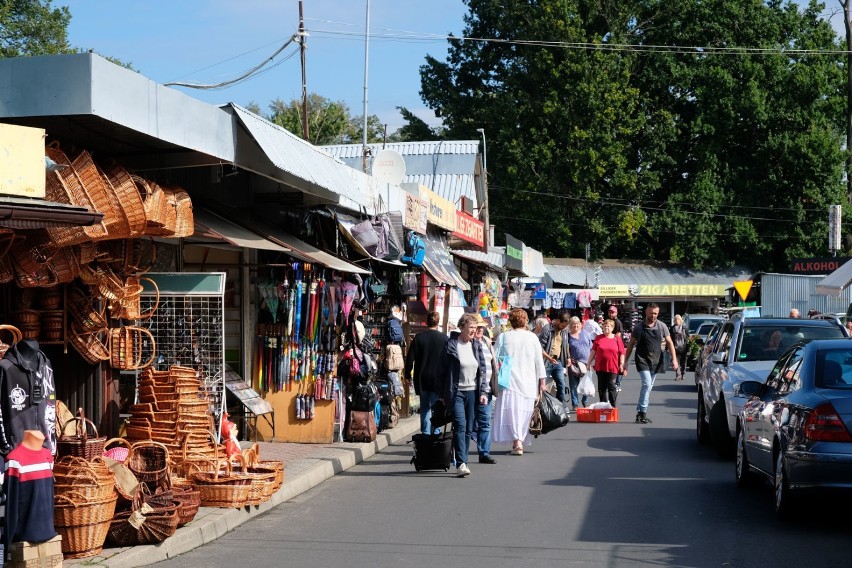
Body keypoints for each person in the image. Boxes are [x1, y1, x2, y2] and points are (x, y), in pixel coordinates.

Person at [492, 308, 547, 456]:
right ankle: (519, 441)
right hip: (528, 380)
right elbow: (539, 362)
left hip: (508, 379)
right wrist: (542, 381)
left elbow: (494, 357)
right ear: (526, 321)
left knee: (511, 411)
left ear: (510, 321)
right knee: (524, 411)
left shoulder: (503, 337)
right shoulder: (532, 338)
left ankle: (517, 441)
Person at [445, 313, 489, 477]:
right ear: (462, 327)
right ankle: (461, 463)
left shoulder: (476, 346)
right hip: (456, 392)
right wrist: (442, 394)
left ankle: (462, 459)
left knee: (469, 428)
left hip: (473, 392)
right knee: (460, 425)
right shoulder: (451, 345)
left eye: (475, 328)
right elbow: (443, 370)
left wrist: (483, 392)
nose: (474, 330)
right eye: (471, 327)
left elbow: (482, 371)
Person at [622, 303, 679, 424]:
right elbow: (631, 345)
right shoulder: (638, 327)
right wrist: (625, 361)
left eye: (655, 314)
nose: (653, 316)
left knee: (649, 387)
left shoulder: (662, 326)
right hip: (642, 359)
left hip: (656, 360)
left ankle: (640, 412)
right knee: (647, 384)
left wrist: (674, 359)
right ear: (646, 312)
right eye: (651, 313)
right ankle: (642, 412)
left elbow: (670, 343)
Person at [404, 311, 448, 435]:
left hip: (422, 378)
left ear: (426, 322)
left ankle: (426, 434)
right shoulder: (444, 339)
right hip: (438, 379)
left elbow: (410, 359)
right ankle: (436, 431)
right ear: (438, 322)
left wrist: (408, 375)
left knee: (425, 407)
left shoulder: (418, 338)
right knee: (436, 407)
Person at [474, 315, 497, 464]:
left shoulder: (487, 342)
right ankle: (457, 454)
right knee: (466, 423)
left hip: (486, 389)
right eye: (477, 327)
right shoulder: (466, 344)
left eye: (481, 327)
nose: (480, 329)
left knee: (485, 422)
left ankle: (484, 452)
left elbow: (492, 364)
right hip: (471, 389)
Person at [587, 319, 625, 407]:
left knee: (611, 387)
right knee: (601, 388)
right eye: (604, 326)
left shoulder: (617, 338)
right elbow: (593, 352)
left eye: (608, 326)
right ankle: (603, 406)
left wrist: (621, 364)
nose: (606, 327)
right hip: (600, 367)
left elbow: (622, 352)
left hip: (612, 367)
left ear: (612, 328)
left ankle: (612, 407)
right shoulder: (599, 338)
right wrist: (588, 363)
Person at [538, 312, 570, 404]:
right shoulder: (547, 329)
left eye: (565, 327)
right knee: (543, 386)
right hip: (547, 362)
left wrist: (568, 357)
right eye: (562, 326)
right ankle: (541, 406)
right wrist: (549, 358)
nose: (564, 328)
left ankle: (560, 406)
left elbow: (566, 344)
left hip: (558, 362)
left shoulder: (564, 330)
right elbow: (540, 347)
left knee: (561, 385)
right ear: (558, 321)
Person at [565, 316, 594, 409]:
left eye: (577, 324)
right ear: (570, 325)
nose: (575, 325)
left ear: (580, 325)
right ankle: (575, 404)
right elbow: (566, 349)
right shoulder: (568, 336)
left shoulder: (585, 333)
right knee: (573, 384)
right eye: (573, 324)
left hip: (586, 362)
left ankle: (585, 400)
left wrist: (593, 357)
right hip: (574, 363)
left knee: (587, 382)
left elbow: (591, 346)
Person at [608, 305, 626, 391]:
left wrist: (614, 345)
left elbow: (618, 335)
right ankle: (613, 383)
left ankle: (617, 384)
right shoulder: (610, 321)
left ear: (616, 313)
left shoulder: (617, 322)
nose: (611, 313)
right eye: (610, 312)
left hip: (617, 347)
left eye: (612, 312)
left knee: (619, 365)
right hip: (612, 347)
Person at [670, 314, 688, 381]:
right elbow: (670, 338)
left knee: (683, 362)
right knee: (676, 362)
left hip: (683, 347)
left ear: (680, 320)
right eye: (675, 320)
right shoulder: (672, 328)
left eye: (678, 320)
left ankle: (683, 374)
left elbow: (687, 337)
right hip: (675, 348)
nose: (677, 321)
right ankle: (678, 375)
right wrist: (667, 347)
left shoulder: (684, 327)